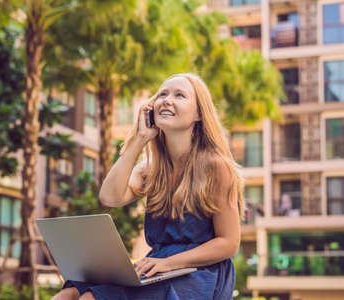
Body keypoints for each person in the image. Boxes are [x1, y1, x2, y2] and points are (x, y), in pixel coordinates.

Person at [51, 73, 244, 300]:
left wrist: (168, 263)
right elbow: (110, 197)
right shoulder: (151, 169)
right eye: (162, 94)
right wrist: (140, 139)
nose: (167, 100)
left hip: (199, 272)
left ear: (199, 114)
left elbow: (229, 243)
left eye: (179, 95)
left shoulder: (216, 167)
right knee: (69, 293)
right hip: (156, 265)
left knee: (91, 298)